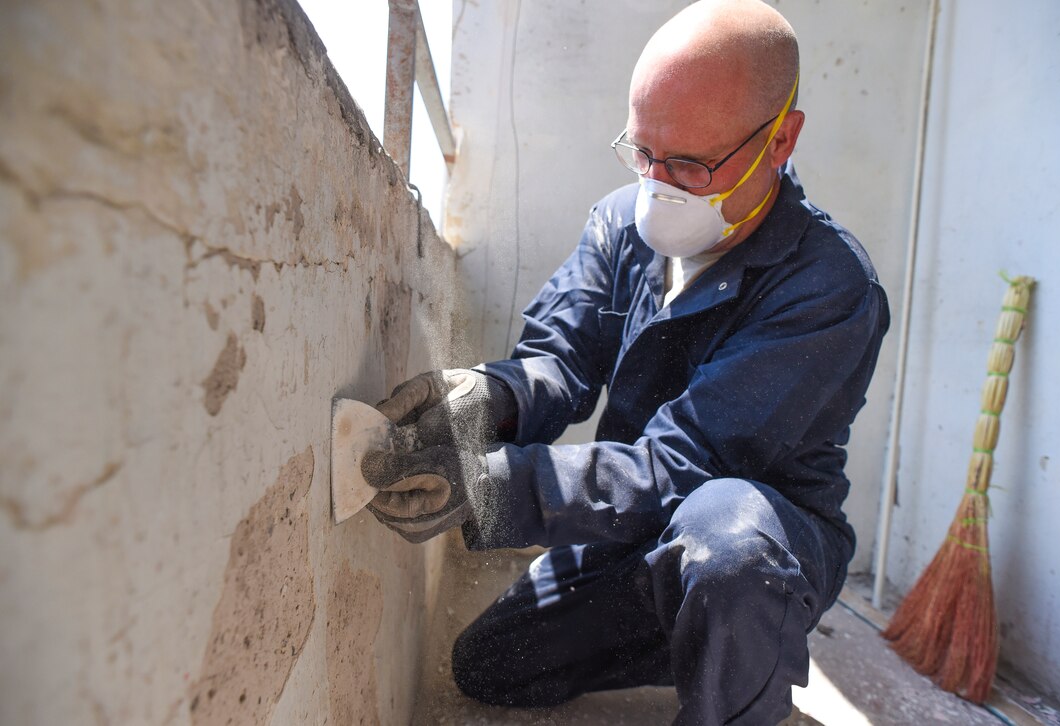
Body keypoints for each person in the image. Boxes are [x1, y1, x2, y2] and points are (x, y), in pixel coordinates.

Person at [361, 0, 890, 722]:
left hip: (753, 539)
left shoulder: (827, 285)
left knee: (724, 540)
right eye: (643, 151)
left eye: (691, 163)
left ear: (779, 141)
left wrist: (489, 488)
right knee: (491, 665)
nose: (658, 183)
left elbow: (686, 462)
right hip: (640, 519)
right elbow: (558, 361)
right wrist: (485, 399)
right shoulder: (621, 223)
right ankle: (718, 647)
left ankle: (741, 656)